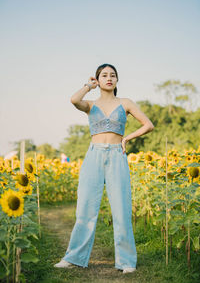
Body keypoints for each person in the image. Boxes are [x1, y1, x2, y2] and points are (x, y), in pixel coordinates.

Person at [54, 63, 154, 273]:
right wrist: (88, 86)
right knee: (85, 208)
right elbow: (73, 100)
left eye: (113, 75)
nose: (109, 78)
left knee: (121, 210)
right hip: (94, 156)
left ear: (117, 80)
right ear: (98, 80)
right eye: (104, 75)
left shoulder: (125, 103)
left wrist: (127, 137)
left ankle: (126, 262)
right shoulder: (90, 104)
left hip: (117, 155)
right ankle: (73, 257)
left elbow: (148, 124)